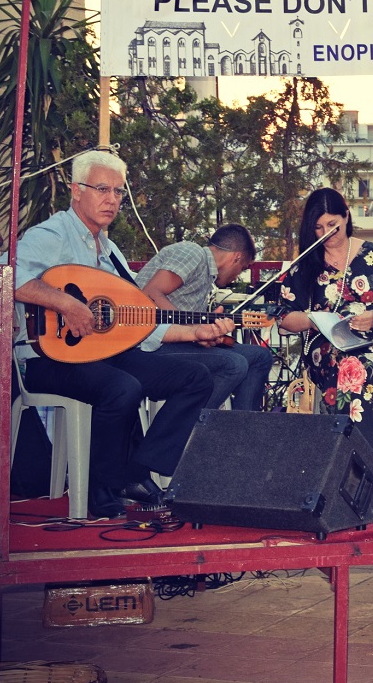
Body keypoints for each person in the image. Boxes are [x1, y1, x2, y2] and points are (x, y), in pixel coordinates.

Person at [14, 150, 230, 519]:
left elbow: (138, 318)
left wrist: (195, 331)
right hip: (46, 357)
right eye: (102, 189)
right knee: (122, 387)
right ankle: (102, 489)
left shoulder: (110, 251)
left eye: (118, 192)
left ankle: (138, 469)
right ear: (76, 191)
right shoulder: (51, 234)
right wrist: (66, 304)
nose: (111, 199)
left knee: (196, 377)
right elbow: (8, 277)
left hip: (101, 353)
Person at [276, 188, 373, 478]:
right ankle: (351, 461)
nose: (326, 233)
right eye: (318, 227)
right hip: (327, 342)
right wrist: (315, 321)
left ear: (346, 216)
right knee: (354, 364)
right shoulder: (306, 263)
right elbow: (285, 318)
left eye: (332, 224)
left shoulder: (372, 255)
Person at [135, 224, 274, 411]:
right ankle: (191, 426)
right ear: (237, 257)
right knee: (234, 364)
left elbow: (189, 324)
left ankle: (242, 427)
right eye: (242, 268)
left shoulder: (207, 275)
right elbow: (150, 293)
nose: (237, 276)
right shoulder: (193, 253)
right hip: (149, 345)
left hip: (176, 343)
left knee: (260, 356)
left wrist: (207, 333)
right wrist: (194, 330)